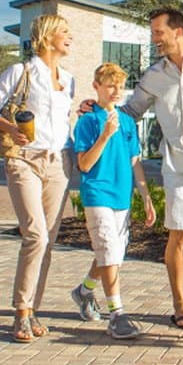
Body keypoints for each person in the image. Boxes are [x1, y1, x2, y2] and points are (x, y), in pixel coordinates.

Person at [82, 8, 183, 331]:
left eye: (158, 32)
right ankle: (180, 304)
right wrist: (97, 106)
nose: (154, 38)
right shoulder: (154, 74)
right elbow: (131, 112)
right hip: (178, 167)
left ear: (178, 32)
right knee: (179, 235)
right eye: (153, 32)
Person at [0, 14, 75, 343]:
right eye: (64, 31)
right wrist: (10, 128)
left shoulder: (69, 79)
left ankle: (33, 310)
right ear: (46, 37)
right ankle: (21, 311)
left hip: (59, 162)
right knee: (35, 235)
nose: (70, 37)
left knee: (48, 240)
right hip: (23, 160)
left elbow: (62, 120)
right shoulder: (20, 72)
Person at [70, 63, 156, 338]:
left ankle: (84, 291)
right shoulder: (87, 121)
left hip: (122, 196)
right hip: (97, 193)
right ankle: (117, 314)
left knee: (112, 254)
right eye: (110, 85)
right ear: (96, 86)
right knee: (108, 250)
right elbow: (84, 164)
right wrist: (105, 135)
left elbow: (135, 161)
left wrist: (145, 196)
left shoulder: (128, 121)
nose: (116, 90)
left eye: (120, 86)